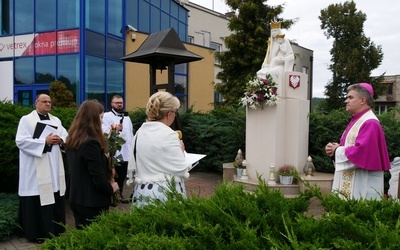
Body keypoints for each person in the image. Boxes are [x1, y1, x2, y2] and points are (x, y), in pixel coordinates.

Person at [15, 94, 68, 243]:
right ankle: (37, 233)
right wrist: (44, 141)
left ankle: (55, 229)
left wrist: (61, 140)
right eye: (44, 101)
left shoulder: (55, 120)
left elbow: (66, 135)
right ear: (36, 103)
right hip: (35, 169)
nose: (48, 104)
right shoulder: (26, 120)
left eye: (50, 102)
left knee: (54, 196)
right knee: (37, 199)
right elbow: (21, 141)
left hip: (53, 166)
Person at [325, 83, 391, 200]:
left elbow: (362, 151)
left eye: (350, 97)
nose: (346, 101)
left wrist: (337, 151)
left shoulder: (370, 122)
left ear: (362, 100)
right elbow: (351, 147)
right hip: (353, 179)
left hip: (362, 182)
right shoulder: (357, 120)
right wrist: (335, 149)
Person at [127, 92, 192, 207]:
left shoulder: (139, 133)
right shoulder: (169, 135)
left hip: (142, 192)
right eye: (175, 112)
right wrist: (182, 153)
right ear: (169, 114)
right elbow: (182, 169)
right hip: (166, 193)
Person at [65, 100, 119, 228]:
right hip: (91, 201)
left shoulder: (73, 138)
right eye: (100, 117)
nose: (102, 121)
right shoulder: (90, 142)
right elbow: (96, 174)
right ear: (93, 119)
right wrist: (111, 188)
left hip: (76, 197)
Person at [102, 95, 134, 203]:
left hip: (126, 152)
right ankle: (111, 196)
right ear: (112, 104)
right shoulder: (107, 116)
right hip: (114, 152)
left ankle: (119, 195)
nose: (119, 104)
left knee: (122, 176)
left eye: (121, 102)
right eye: (117, 103)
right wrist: (115, 129)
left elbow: (130, 133)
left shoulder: (127, 117)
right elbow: (104, 132)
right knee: (113, 175)